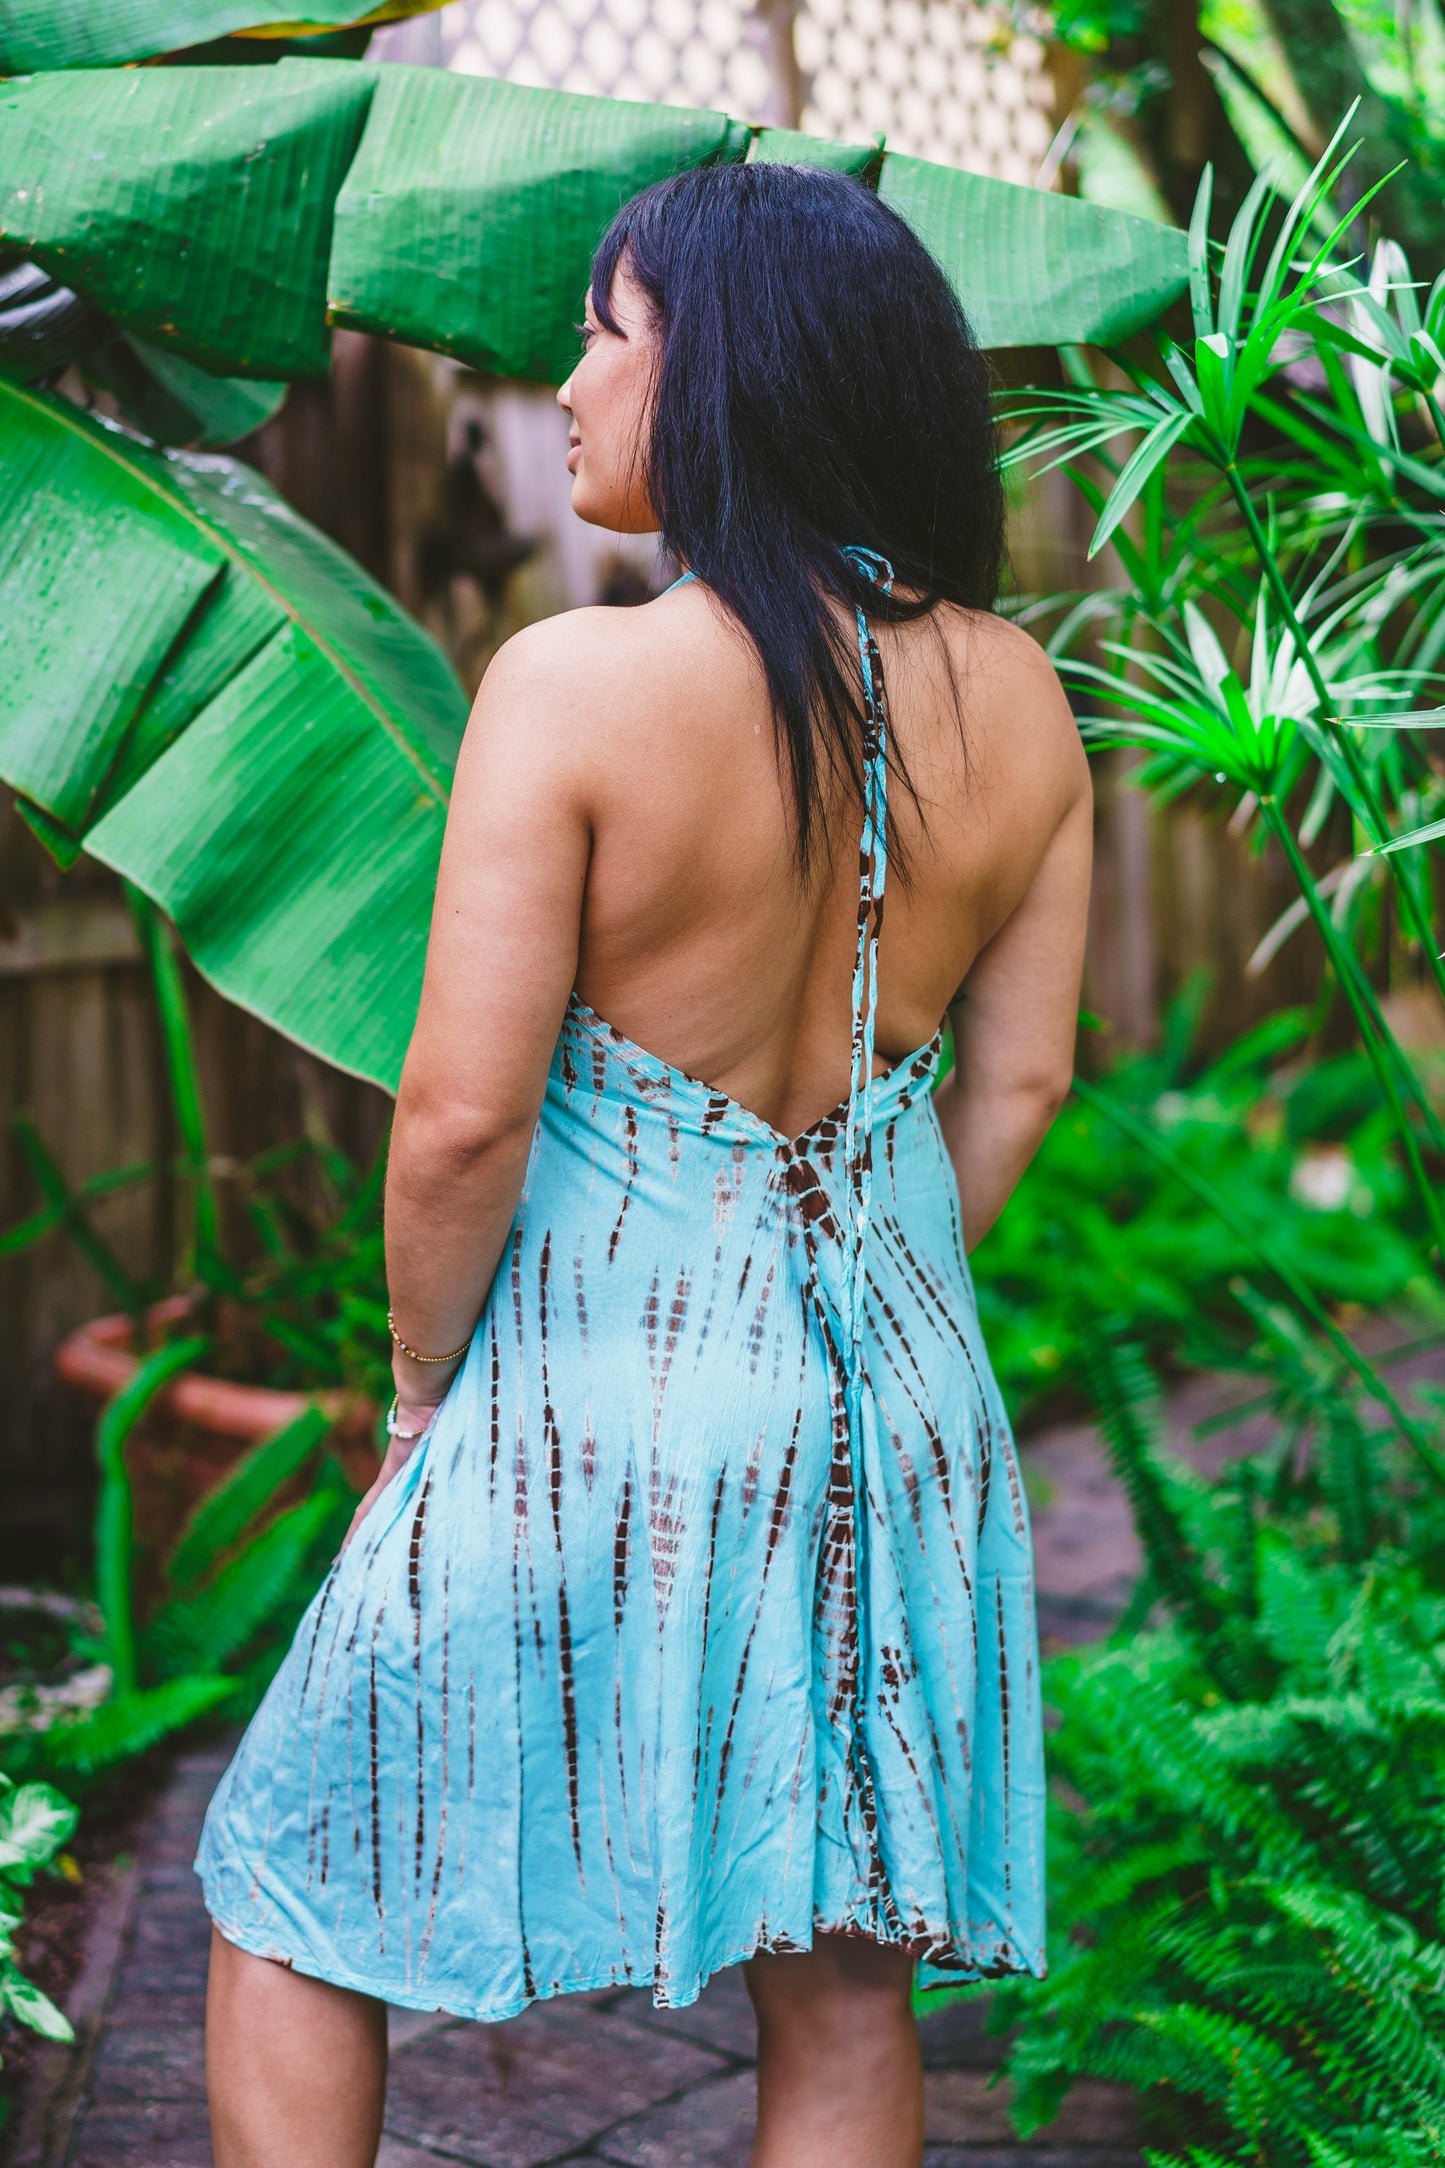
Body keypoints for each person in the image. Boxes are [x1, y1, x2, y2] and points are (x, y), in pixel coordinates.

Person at [199, 159, 1091, 2168]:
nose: (576, 380)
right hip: (895, 1406)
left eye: (607, 332)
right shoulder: (1029, 706)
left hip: (583, 1398)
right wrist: (858, 1296)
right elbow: (1016, 1093)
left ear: (730, 382)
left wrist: (426, 1389)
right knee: (845, 1975)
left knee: (290, 1889)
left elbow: (459, 1115)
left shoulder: (581, 687)